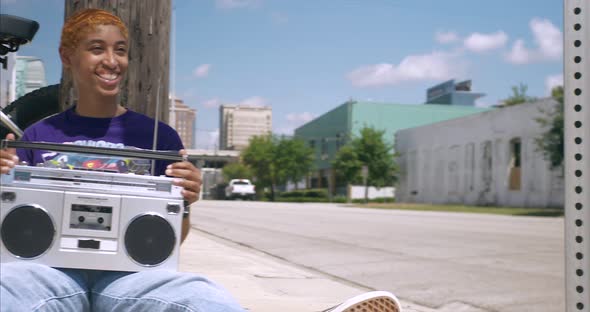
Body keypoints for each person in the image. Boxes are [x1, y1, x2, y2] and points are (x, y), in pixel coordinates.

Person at [0, 8, 401, 312]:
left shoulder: (160, 137)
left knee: (196, 296)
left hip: (130, 272)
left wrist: (186, 201)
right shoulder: (36, 136)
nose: (112, 61)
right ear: (67, 57)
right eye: (96, 49)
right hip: (48, 269)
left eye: (120, 51)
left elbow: (174, 236)